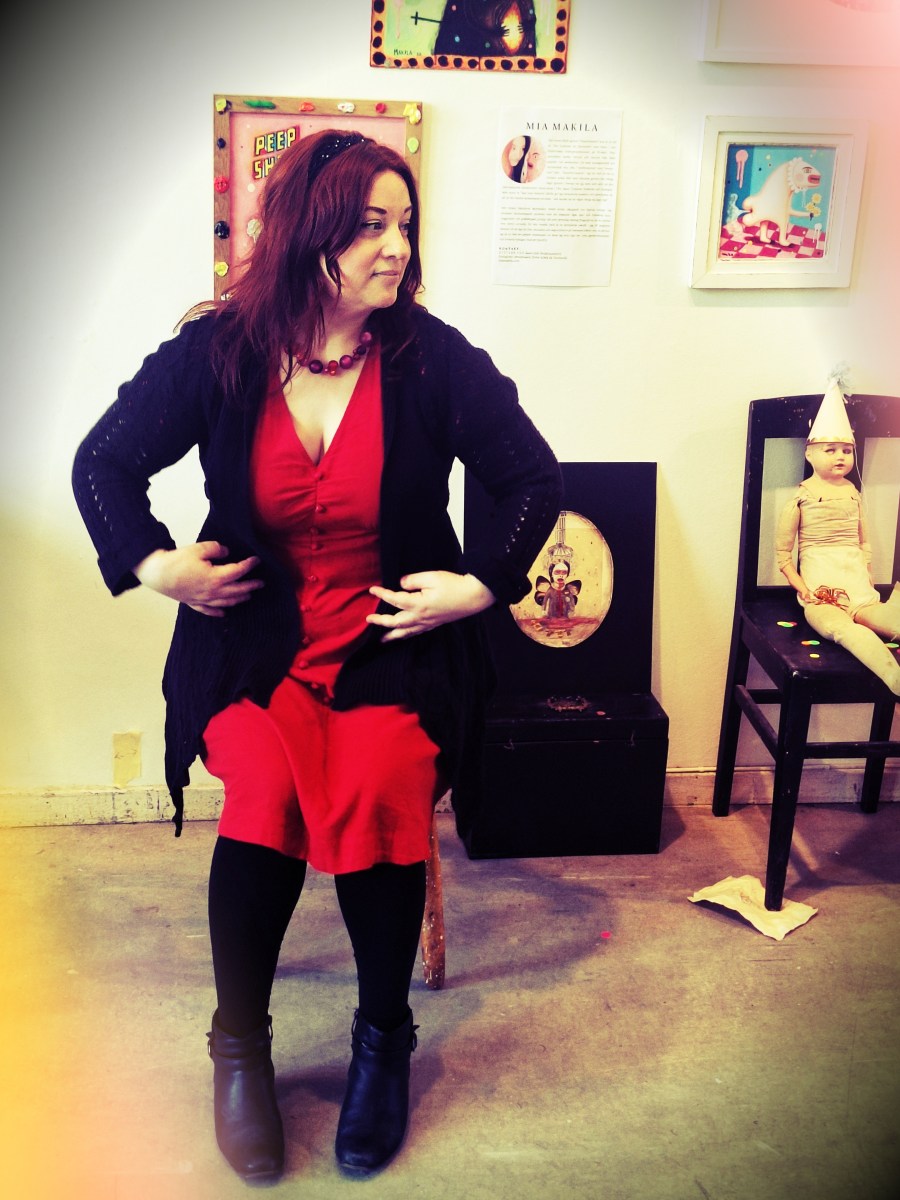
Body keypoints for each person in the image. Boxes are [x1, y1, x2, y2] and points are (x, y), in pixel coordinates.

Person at [72, 129, 561, 1182]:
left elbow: (533, 478)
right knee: (263, 789)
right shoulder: (219, 352)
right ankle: (237, 1048)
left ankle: (383, 1041)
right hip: (255, 645)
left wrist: (480, 584)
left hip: (393, 644)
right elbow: (102, 463)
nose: (398, 247)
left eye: (405, 224)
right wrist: (159, 567)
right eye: (371, 225)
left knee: (380, 780)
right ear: (309, 235)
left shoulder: (429, 358)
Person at [775, 381, 900, 695]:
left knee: (890, 620)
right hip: (822, 595)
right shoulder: (802, 498)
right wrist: (805, 591)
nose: (840, 457)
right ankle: (894, 677)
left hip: (860, 592)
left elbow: (863, 541)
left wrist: (867, 576)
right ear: (810, 453)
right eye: (829, 450)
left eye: (846, 450)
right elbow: (783, 556)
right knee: (843, 629)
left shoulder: (853, 494)